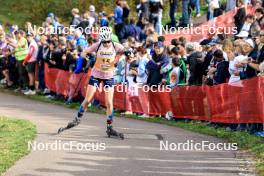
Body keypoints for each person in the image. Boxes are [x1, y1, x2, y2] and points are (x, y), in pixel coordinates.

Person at [71, 27, 125, 137]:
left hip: (109, 76)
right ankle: (77, 119)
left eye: (107, 42)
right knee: (88, 100)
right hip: (96, 75)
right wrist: (86, 56)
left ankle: (109, 127)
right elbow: (84, 52)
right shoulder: (97, 45)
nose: (105, 44)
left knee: (109, 103)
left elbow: (125, 51)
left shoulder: (116, 45)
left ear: (110, 39)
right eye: (104, 42)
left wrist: (117, 59)